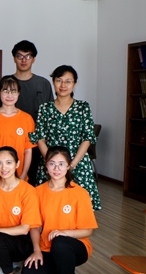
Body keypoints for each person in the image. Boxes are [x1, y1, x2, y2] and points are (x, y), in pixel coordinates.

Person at [22, 146, 98, 274]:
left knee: (60, 242)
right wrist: (36, 250)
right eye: (52, 164)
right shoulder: (37, 192)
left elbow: (88, 230)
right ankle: (60, 269)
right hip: (47, 248)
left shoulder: (80, 193)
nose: (57, 168)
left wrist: (64, 233)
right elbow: (34, 226)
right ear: (46, 165)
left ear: (69, 166)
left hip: (75, 246)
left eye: (61, 164)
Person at [30, 65, 101, 210]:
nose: (63, 85)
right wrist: (52, 162)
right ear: (53, 82)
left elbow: (87, 138)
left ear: (74, 84)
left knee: (80, 207)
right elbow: (40, 138)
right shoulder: (45, 108)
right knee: (47, 207)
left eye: (68, 81)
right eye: (59, 80)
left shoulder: (83, 107)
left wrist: (71, 165)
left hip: (78, 163)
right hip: (51, 165)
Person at [0, 40, 53, 185]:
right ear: (14, 58)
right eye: (20, 56)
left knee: (33, 182)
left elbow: (50, 115)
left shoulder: (43, 84)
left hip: (38, 143)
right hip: (11, 141)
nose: (24, 60)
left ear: (34, 59)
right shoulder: (6, 83)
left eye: (28, 56)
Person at [0, 75, 35, 181]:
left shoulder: (27, 119)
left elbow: (28, 151)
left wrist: (23, 174)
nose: (9, 95)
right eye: (5, 91)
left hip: (19, 176)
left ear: (19, 93)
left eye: (13, 91)